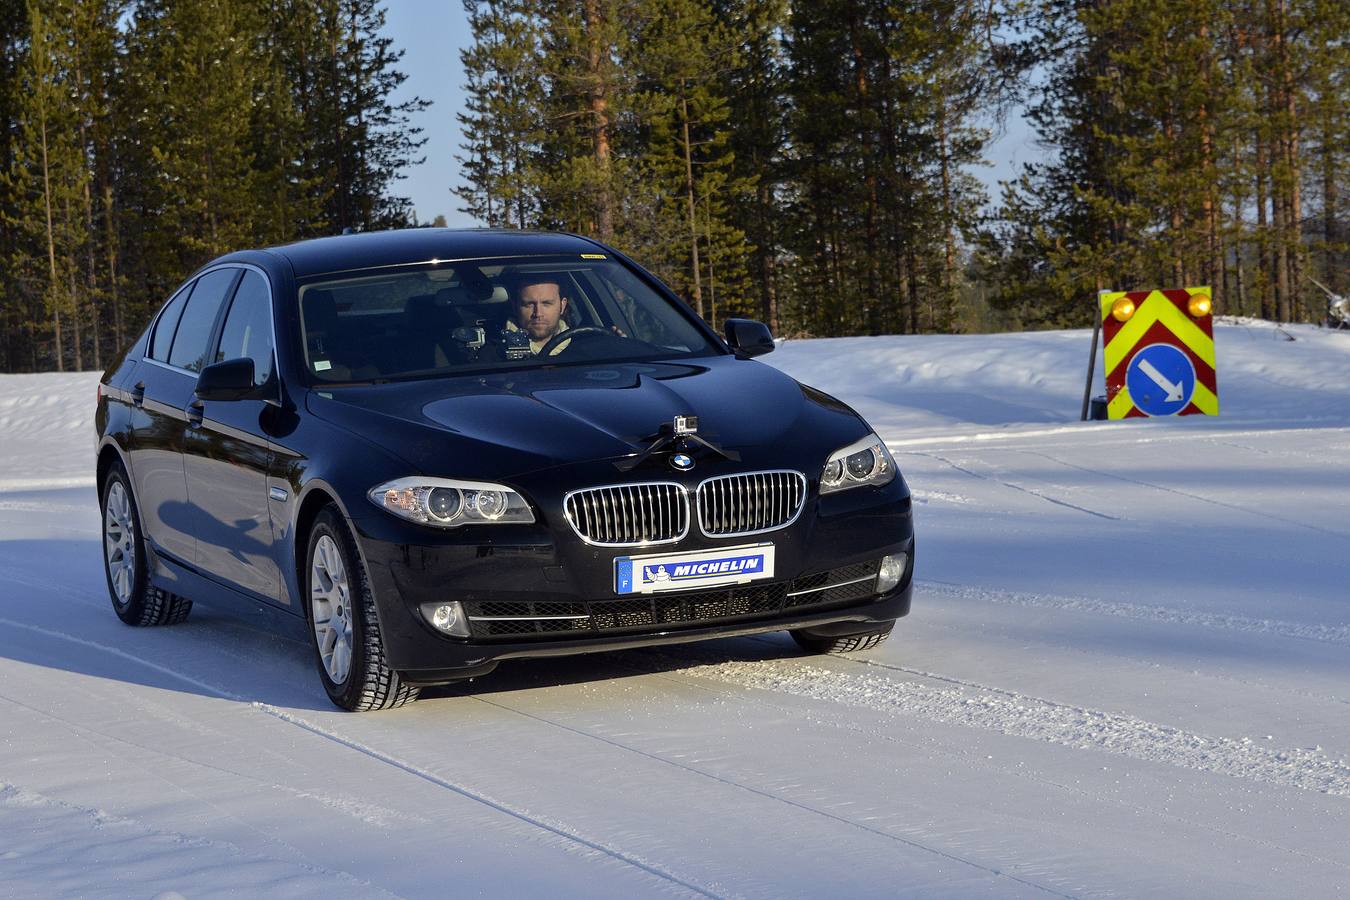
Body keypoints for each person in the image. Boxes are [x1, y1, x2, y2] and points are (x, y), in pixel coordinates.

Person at [503, 275, 571, 355]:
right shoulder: (494, 355)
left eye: (546, 303)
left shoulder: (583, 349)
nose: (538, 313)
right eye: (529, 304)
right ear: (515, 307)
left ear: (562, 306)